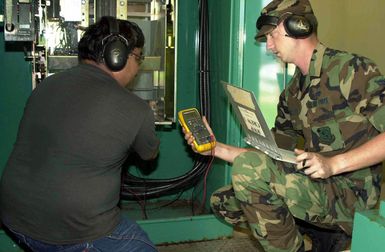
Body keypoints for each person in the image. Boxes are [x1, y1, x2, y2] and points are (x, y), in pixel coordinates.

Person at [183, 0, 385, 251]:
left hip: (353, 194)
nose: (268, 46)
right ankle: (316, 236)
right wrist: (215, 149)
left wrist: (334, 164)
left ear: (298, 27)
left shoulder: (351, 70)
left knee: (248, 174)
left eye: (271, 36)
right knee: (224, 201)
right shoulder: (292, 93)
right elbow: (270, 158)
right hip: (318, 187)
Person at [0, 16, 160, 252]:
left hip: (14, 218)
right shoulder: (135, 108)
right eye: (138, 58)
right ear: (117, 56)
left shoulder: (46, 86)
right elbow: (149, 154)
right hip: (74, 232)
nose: (138, 69)